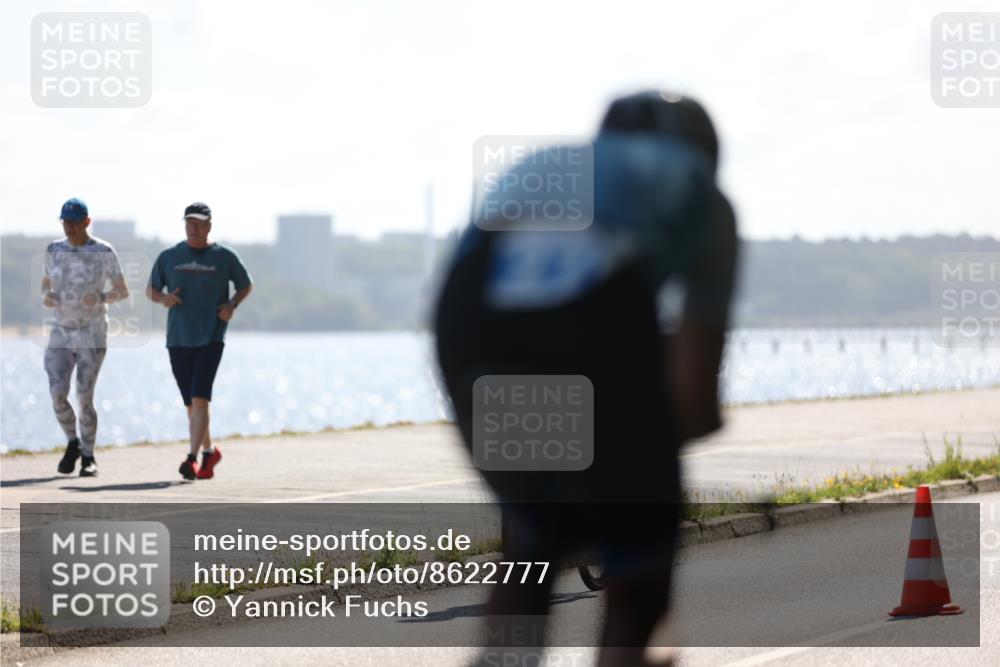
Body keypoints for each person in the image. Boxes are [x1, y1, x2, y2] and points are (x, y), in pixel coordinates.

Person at [434, 91, 738, 666]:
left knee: (531, 544)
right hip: (591, 321)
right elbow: (695, 399)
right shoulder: (704, 193)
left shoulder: (546, 164)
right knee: (639, 574)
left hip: (468, 322)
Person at [146, 202, 253, 480]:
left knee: (200, 399)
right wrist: (164, 299)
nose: (193, 228)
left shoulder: (224, 257)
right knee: (191, 405)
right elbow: (151, 290)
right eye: (188, 223)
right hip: (178, 337)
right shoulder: (170, 256)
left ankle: (191, 459)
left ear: (209, 226)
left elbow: (246, 285)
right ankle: (210, 452)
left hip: (211, 336)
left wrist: (231, 305)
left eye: (198, 223)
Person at [44, 198, 129, 477]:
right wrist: (47, 295)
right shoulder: (54, 249)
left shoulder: (102, 251)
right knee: (57, 394)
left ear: (86, 222)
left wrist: (102, 296)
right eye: (64, 222)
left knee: (83, 397)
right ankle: (72, 442)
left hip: (91, 332)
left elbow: (122, 291)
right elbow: (47, 282)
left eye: (73, 222)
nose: (68, 227)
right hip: (60, 332)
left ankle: (88, 457)